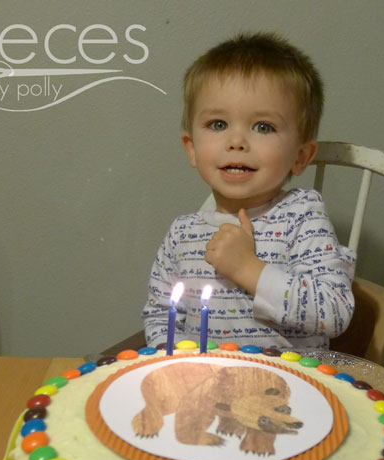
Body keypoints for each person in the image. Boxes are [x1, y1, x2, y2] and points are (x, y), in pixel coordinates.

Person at [142, 32, 355, 350]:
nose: (237, 141)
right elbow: (160, 317)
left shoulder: (301, 216)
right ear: (192, 148)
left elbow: (334, 312)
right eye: (217, 124)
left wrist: (248, 268)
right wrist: (172, 359)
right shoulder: (182, 234)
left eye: (263, 127)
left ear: (300, 157)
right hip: (204, 383)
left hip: (289, 386)